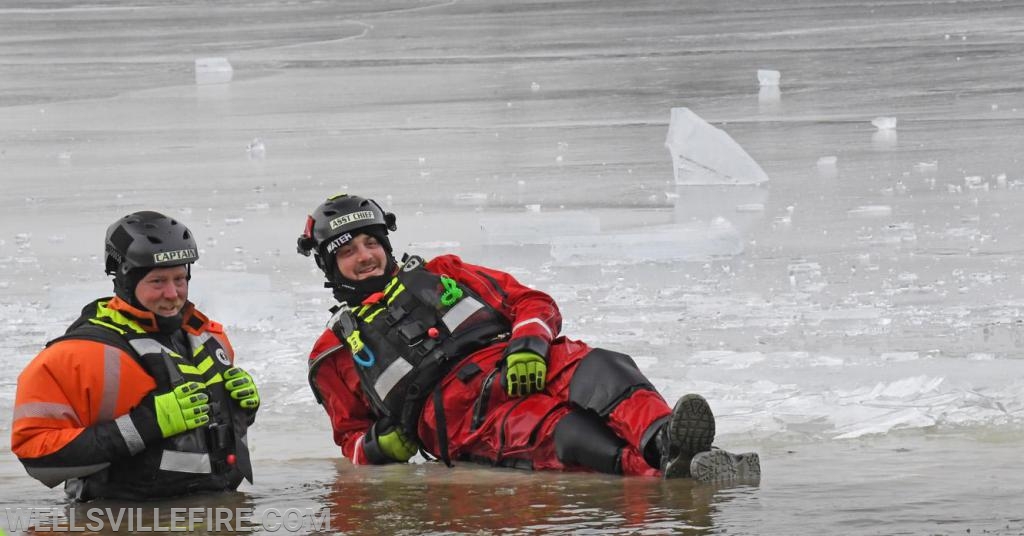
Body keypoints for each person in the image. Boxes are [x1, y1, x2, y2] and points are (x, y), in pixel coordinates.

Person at [297, 194, 759, 481]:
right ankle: (673, 473)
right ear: (329, 265)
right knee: (570, 433)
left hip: (518, 361)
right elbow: (350, 437)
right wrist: (378, 447)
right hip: (463, 417)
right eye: (349, 251)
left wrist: (530, 344)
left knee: (605, 370)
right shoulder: (333, 354)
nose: (366, 256)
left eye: (372, 243)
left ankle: (668, 444)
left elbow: (531, 302)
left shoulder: (446, 273)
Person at [11, 211, 260, 501]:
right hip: (120, 520)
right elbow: (36, 456)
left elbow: (200, 439)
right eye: (157, 282)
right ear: (125, 280)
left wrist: (239, 410)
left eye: (180, 279)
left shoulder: (209, 338)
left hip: (220, 510)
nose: (172, 293)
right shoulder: (76, 356)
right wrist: (146, 425)